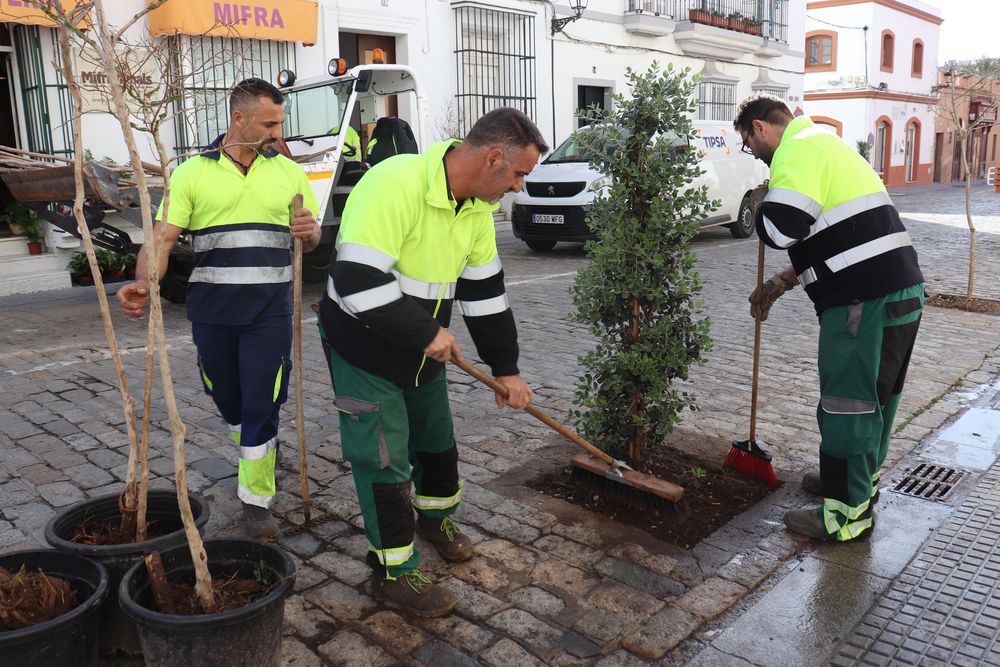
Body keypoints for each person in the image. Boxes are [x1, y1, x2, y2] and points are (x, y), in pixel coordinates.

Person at [318, 107, 547, 617]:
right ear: (492, 158)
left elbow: (486, 294)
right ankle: (394, 570)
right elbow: (356, 280)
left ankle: (435, 518)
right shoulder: (393, 184)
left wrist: (505, 368)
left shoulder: (476, 210)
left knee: (436, 442)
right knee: (384, 458)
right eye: (518, 174)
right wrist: (426, 333)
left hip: (422, 352)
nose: (517, 187)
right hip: (363, 345)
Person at [117, 78, 321, 540]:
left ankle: (256, 499)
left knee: (261, 400)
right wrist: (143, 281)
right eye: (269, 123)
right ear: (238, 118)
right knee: (228, 398)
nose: (276, 133)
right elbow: (163, 238)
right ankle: (257, 443)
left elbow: (311, 240)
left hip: (270, 312)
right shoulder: (192, 173)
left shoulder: (288, 173)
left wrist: (309, 232)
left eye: (279, 123)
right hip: (212, 313)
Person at [734, 96, 924, 542]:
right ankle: (857, 488)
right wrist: (783, 281)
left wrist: (763, 204)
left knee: (848, 408)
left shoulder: (795, 151)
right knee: (875, 402)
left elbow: (782, 227)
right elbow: (838, 229)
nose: (755, 155)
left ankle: (844, 517)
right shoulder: (826, 143)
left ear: (760, 128)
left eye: (748, 144)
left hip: (862, 302)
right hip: (899, 291)